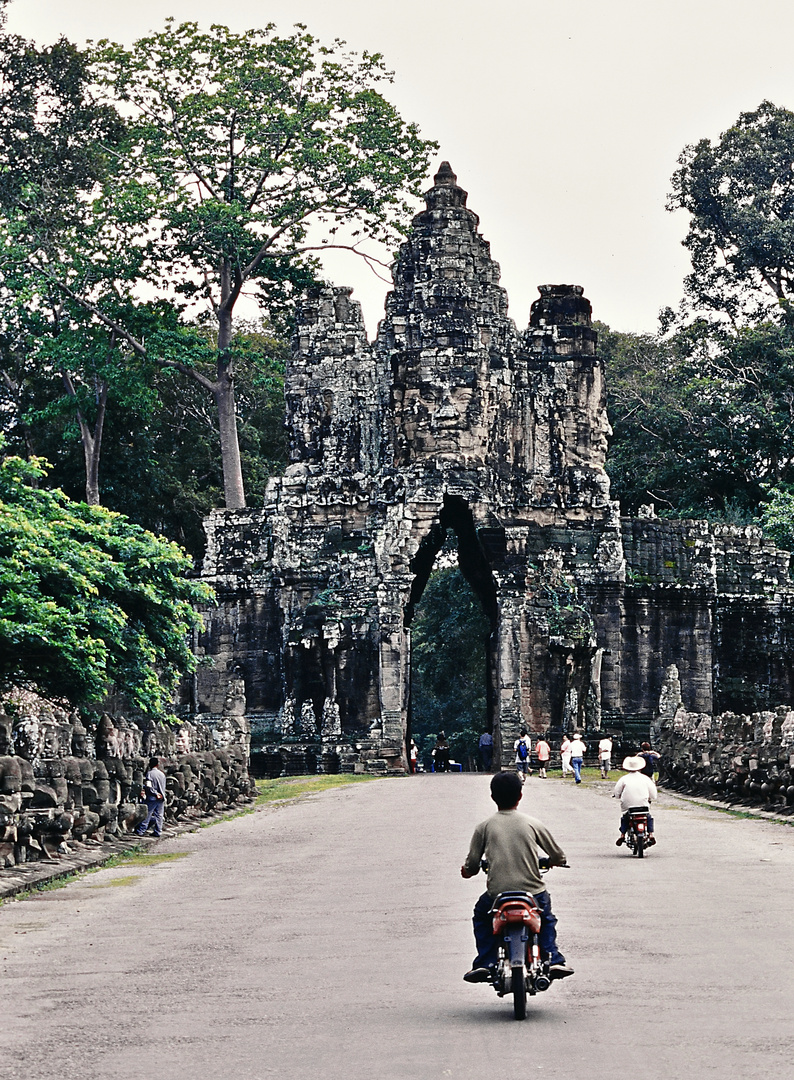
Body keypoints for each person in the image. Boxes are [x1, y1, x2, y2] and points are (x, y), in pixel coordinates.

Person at [460, 771, 574, 982]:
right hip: (533, 892)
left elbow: (472, 865)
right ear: (520, 795)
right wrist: (551, 862)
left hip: (497, 894)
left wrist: (467, 871)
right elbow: (559, 856)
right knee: (546, 919)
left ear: (493, 796)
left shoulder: (484, 827)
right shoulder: (532, 823)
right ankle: (553, 959)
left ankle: (485, 961)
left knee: (481, 916)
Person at [613, 755, 658, 846]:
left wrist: (618, 796)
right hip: (643, 806)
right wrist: (651, 798)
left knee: (625, 818)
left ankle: (622, 835)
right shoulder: (645, 779)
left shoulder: (624, 779)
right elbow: (653, 794)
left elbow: (617, 792)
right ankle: (651, 834)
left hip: (629, 807)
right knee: (648, 817)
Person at [136, 756, 167, 838]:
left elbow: (148, 786)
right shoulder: (162, 774)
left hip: (152, 797)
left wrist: (155, 793)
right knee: (159, 815)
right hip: (161, 797)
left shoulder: (150, 774)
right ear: (157, 764)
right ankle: (158, 831)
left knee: (148, 813)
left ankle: (141, 830)